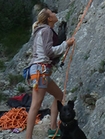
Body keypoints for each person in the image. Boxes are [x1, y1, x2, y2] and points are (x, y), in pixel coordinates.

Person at [25, 8, 75, 139]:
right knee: (36, 104)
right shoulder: (46, 30)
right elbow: (49, 51)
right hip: (40, 71)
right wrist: (66, 44)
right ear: (49, 19)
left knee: (59, 95)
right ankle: (28, 137)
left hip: (40, 71)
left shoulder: (42, 30)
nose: (54, 13)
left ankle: (53, 128)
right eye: (51, 13)